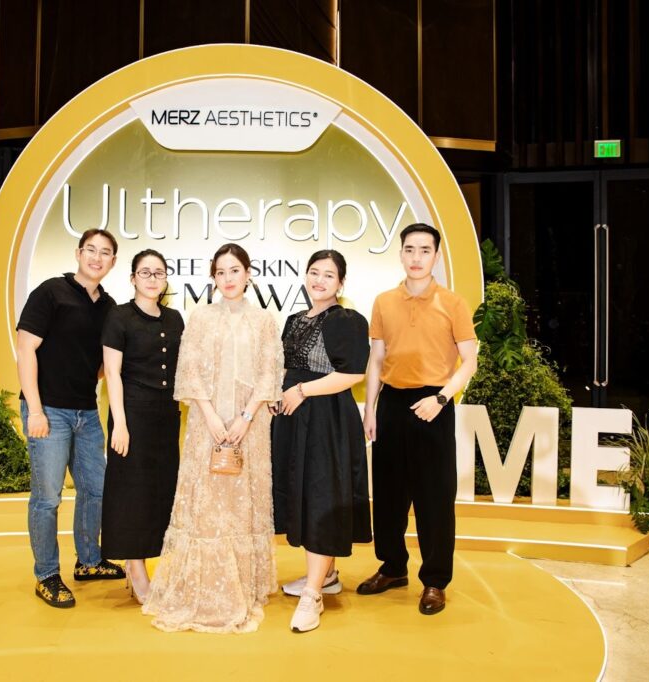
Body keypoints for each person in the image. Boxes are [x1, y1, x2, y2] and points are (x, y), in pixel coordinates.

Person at [142, 243, 283, 633]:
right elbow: (189, 371)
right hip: (208, 426)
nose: (228, 278)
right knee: (208, 501)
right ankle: (203, 585)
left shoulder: (264, 320)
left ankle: (244, 583)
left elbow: (269, 375)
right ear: (213, 278)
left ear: (248, 274)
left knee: (242, 500)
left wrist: (245, 418)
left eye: (234, 270)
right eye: (220, 272)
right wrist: (210, 418)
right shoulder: (201, 317)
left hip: (250, 426)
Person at [359, 223, 478, 616]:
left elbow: (470, 360)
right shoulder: (383, 302)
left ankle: (435, 581)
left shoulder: (453, 303)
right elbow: (377, 359)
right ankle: (393, 568)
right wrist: (370, 408)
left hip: (434, 404)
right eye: (410, 249)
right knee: (388, 495)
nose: (416, 257)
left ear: (436, 256)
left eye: (425, 250)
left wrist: (442, 398)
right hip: (392, 404)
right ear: (401, 254)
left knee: (435, 498)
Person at [15, 228, 126, 608]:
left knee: (96, 490)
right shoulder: (51, 292)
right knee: (47, 498)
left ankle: (89, 561)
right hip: (48, 410)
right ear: (78, 253)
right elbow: (25, 349)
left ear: (113, 261)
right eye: (90, 249)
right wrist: (35, 409)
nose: (97, 257)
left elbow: (106, 364)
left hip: (87, 413)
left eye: (105, 252)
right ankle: (46, 574)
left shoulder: (109, 307)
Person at [271, 249, 371, 633]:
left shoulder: (348, 320)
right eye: (314, 272)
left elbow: (354, 373)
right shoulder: (294, 320)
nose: (319, 280)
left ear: (341, 283)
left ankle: (313, 595)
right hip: (294, 419)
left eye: (329, 275)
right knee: (302, 495)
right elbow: (285, 367)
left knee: (323, 496)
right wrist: (276, 395)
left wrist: (302, 390)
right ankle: (325, 576)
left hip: (327, 420)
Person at [100, 249, 184, 604]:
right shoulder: (119, 316)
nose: (152, 278)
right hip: (131, 414)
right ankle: (135, 569)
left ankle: (153, 563)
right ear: (133, 278)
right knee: (131, 493)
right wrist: (119, 423)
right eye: (145, 272)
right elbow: (112, 373)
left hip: (166, 417)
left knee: (159, 492)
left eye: (159, 272)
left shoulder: (175, 318)